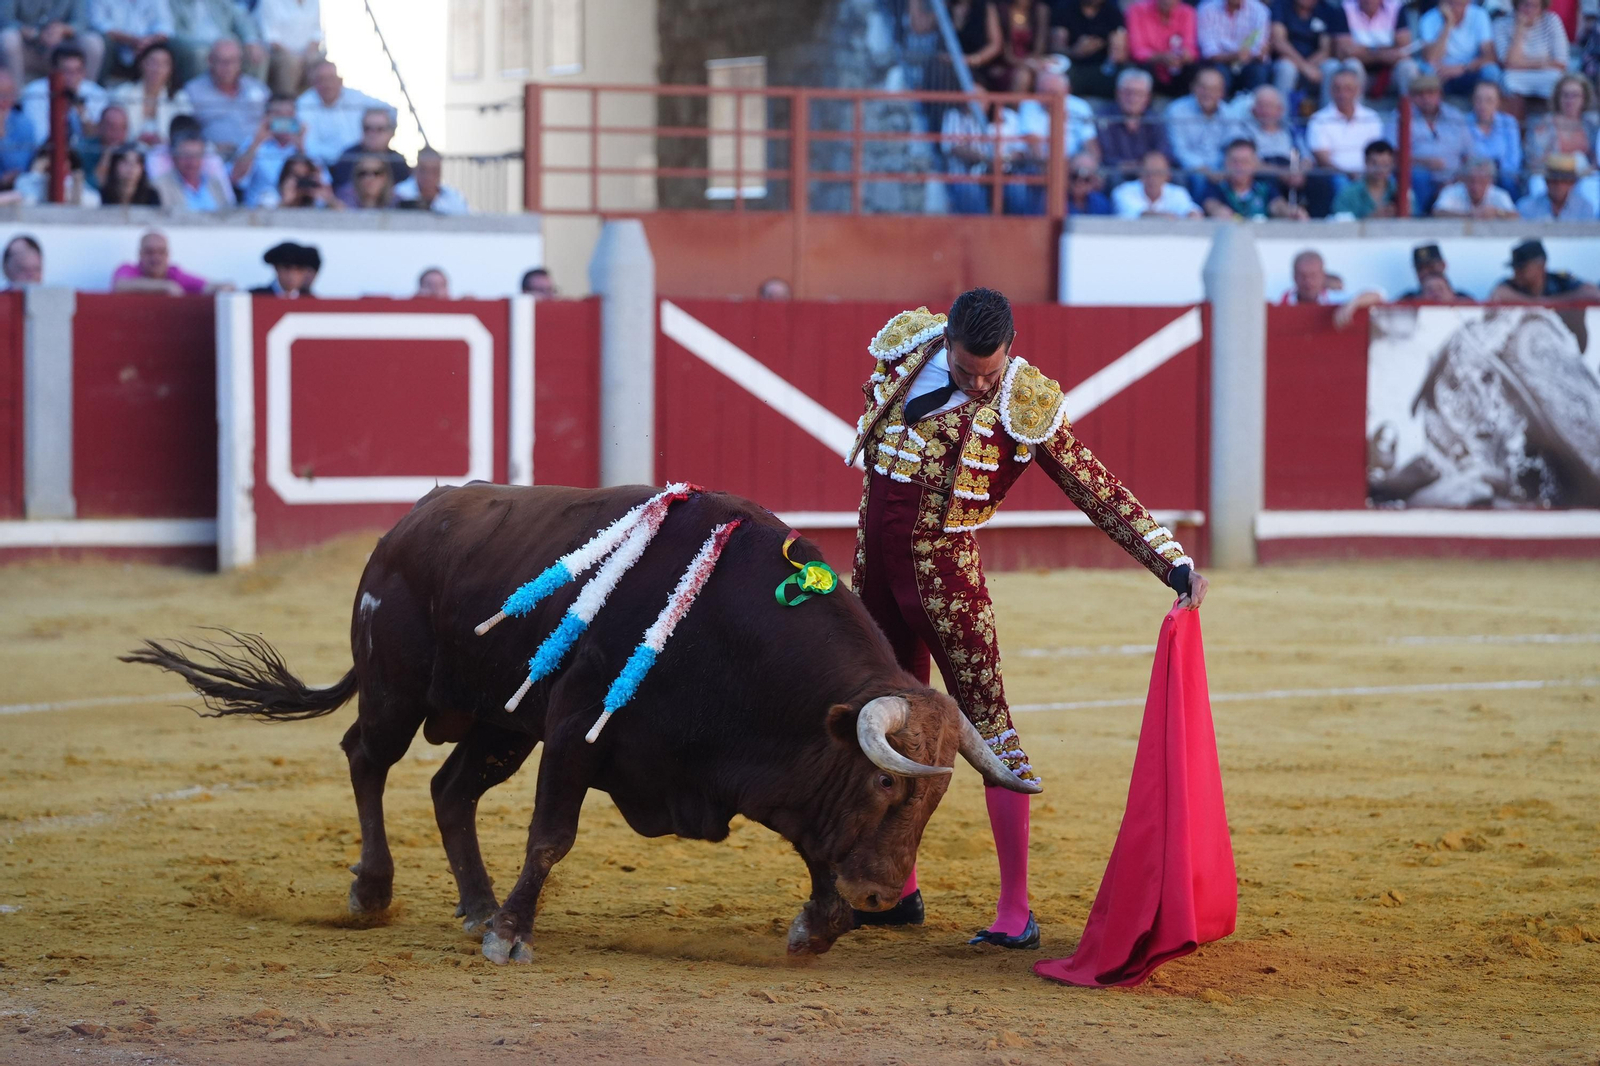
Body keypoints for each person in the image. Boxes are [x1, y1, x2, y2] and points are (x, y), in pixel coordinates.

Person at [846, 289, 1208, 947]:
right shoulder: (905, 350)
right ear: (946, 343)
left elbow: (1095, 487)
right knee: (880, 717)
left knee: (989, 730)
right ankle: (895, 887)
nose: (980, 382)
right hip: (873, 569)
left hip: (946, 582)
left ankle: (1016, 910)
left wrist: (1171, 561)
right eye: (966, 371)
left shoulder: (1023, 401)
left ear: (1009, 349)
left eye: (991, 370)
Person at [1306, 68, 1382, 213]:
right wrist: (1349, 173)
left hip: (1369, 173)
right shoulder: (1319, 119)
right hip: (1337, 175)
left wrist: (1366, 173)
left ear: (1358, 90)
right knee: (1340, 182)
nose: (1342, 94)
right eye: (1338, 89)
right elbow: (1322, 159)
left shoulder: (1372, 117)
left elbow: (1378, 154)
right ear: (1331, 91)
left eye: (1348, 89)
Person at [184, 37, 268, 160]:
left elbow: (274, 121)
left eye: (233, 61)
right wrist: (210, 147)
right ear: (210, 61)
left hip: (259, 158)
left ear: (240, 62)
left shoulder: (258, 88)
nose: (228, 67)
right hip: (215, 160)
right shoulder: (192, 91)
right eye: (222, 61)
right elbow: (185, 136)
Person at [1394, 73, 1469, 210]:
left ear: (1440, 94)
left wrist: (1456, 179)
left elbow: (1468, 154)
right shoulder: (1401, 116)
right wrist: (1425, 162)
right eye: (1420, 94)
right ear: (1412, 97)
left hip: (1453, 179)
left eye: (1431, 93)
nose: (1426, 98)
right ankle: (1418, 219)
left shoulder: (1455, 116)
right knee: (1419, 175)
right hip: (1418, 179)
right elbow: (1393, 155)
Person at [295, 58, 388, 166]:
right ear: (313, 83)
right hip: (322, 164)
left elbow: (389, 110)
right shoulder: (304, 103)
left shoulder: (355, 97)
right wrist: (339, 158)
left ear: (340, 80)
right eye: (321, 79)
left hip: (361, 160)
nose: (327, 84)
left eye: (331, 79)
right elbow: (309, 144)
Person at [1271, 0, 1361, 103]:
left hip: (1315, 62)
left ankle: (1329, 115)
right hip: (1288, 59)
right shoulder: (1281, 5)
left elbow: (1325, 49)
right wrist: (1304, 67)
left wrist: (1310, 66)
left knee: (1331, 66)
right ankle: (1281, 115)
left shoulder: (1325, 9)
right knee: (1286, 68)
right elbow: (1279, 42)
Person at [20, 43, 106, 150]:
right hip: (45, 153)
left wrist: (82, 112)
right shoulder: (34, 93)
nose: (72, 78)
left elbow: (97, 140)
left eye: (77, 71)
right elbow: (38, 137)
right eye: (66, 71)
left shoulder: (96, 93)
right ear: (53, 71)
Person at [0, 0, 103, 84]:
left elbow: (82, 22)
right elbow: (4, 19)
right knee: (8, 38)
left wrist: (64, 29)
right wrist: (30, 32)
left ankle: (84, 96)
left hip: (62, 50)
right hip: (27, 49)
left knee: (92, 42)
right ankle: (13, 99)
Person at [110, 41, 191, 147]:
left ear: (171, 69)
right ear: (142, 64)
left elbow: (187, 136)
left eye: (164, 64)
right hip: (127, 153)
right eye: (153, 62)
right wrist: (134, 141)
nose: (157, 69)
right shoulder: (122, 93)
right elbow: (111, 131)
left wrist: (164, 143)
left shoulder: (180, 98)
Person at [232, 93, 308, 205]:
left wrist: (301, 149)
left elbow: (318, 185)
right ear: (267, 117)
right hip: (258, 215)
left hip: (295, 214)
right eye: (278, 114)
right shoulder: (252, 143)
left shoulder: (306, 144)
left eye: (289, 114)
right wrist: (257, 142)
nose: (284, 119)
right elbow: (236, 179)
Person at [1494, 0, 1568, 114]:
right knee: (1508, 81)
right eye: (1525, 5)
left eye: (1534, 6)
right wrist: (1520, 29)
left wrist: (1521, 62)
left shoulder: (1552, 21)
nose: (1529, 9)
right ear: (1517, 4)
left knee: (1558, 82)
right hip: (1518, 75)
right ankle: (1516, 126)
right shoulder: (1501, 24)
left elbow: (1560, 62)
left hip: (1546, 73)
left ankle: (1552, 123)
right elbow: (1507, 63)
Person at [1097, 68, 1171, 181]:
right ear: (1118, 93)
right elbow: (1104, 154)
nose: (1133, 98)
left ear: (1147, 97)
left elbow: (1163, 150)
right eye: (1128, 92)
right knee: (1114, 177)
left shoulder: (1155, 119)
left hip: (1148, 174)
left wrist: (1144, 165)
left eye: (1139, 94)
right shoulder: (1104, 117)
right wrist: (1125, 166)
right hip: (1115, 172)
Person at [1203, 137, 1306, 216]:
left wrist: (1291, 212)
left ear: (1254, 165)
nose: (1239, 167)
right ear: (1226, 163)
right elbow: (1211, 204)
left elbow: (1277, 205)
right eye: (1234, 161)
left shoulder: (1264, 187)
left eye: (1245, 162)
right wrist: (1218, 211)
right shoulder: (1217, 187)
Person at [1416, 0, 1499, 96]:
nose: (1454, 8)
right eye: (1450, 3)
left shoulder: (1479, 15)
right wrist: (1448, 24)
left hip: (1469, 69)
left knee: (1491, 71)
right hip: (1441, 71)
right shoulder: (1429, 19)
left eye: (1459, 4)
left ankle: (1486, 108)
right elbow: (1430, 58)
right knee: (1427, 71)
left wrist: (1462, 68)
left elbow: (1489, 56)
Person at [168, 0, 262, 83]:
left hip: (225, 43)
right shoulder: (175, 3)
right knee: (201, 53)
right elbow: (173, 33)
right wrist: (213, 46)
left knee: (258, 52)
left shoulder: (222, 1)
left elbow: (241, 19)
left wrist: (251, 40)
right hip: (193, 45)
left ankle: (253, 96)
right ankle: (199, 95)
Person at [1048, 0, 1127, 97]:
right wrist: (1075, 51)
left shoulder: (1112, 9)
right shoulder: (1065, 7)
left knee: (1127, 74)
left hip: (1103, 69)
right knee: (1055, 71)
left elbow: (1121, 51)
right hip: (1074, 68)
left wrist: (1116, 53)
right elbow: (1056, 48)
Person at [1166, 67, 1232, 182]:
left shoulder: (1229, 113)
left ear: (1222, 92)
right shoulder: (1176, 110)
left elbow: (1232, 145)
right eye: (1203, 87)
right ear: (1193, 88)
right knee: (1199, 179)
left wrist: (1225, 169)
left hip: (1221, 169)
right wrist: (1204, 170)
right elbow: (1179, 151)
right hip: (1189, 169)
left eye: (1214, 89)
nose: (1208, 93)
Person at [111, 229, 225, 294]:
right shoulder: (127, 270)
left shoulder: (174, 274)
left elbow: (206, 286)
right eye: (150, 252)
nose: (155, 258)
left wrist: (223, 288)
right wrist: (164, 286)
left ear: (167, 255)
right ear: (140, 254)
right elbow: (120, 285)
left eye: (161, 252)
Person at [1341, 0, 1418, 96]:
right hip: (1361, 74)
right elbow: (1345, 52)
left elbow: (1404, 50)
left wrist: (1366, 52)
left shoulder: (1396, 7)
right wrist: (1384, 53)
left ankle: (1408, 109)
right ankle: (1355, 110)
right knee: (1352, 64)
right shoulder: (1346, 8)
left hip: (1389, 74)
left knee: (1408, 66)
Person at [1489, 238, 1600, 302]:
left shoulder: (1559, 280)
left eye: (1522, 267)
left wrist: (1552, 302)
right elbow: (1498, 294)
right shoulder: (1511, 284)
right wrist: (1537, 304)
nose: (1517, 272)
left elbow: (1594, 293)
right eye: (1515, 268)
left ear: (1541, 266)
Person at [1197, 0, 1273, 92]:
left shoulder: (1260, 10)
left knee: (1258, 71)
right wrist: (1235, 56)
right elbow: (1209, 51)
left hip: (1249, 62)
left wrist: (1245, 55)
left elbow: (1259, 47)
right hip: (1220, 61)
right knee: (1217, 71)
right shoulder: (1206, 9)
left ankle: (1253, 104)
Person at [1125, 0, 1199, 94]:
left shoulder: (1188, 12)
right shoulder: (1137, 10)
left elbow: (1191, 48)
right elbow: (1137, 51)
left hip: (1177, 66)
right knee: (1142, 67)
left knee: (1194, 69)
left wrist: (1185, 55)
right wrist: (1160, 57)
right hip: (1150, 66)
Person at [87, 0, 170, 83]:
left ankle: (170, 92)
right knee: (99, 40)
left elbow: (165, 25)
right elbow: (98, 24)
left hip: (149, 45)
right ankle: (97, 89)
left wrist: (148, 41)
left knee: (175, 45)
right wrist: (132, 40)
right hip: (115, 46)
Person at [330, 105, 408, 189]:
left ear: (391, 133)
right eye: (367, 128)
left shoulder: (398, 162)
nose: (372, 134)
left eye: (379, 129)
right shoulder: (348, 158)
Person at [1329, 137, 1411, 216]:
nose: (1380, 169)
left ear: (1392, 165)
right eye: (1374, 163)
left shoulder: (1403, 192)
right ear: (1365, 162)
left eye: (1385, 164)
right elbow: (1339, 221)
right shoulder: (1348, 193)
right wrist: (1372, 218)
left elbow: (1415, 219)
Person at [1465, 81, 1521, 194]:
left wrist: (1493, 174)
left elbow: (1513, 159)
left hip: (1502, 176)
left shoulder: (1509, 123)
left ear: (1498, 103)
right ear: (1473, 100)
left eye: (1489, 100)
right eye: (1478, 100)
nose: (1483, 105)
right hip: (1473, 177)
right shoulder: (1463, 123)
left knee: (1508, 182)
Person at [257, 0, 321, 97]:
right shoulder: (269, 2)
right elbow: (271, 37)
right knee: (290, 63)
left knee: (319, 63)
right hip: (277, 53)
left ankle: (311, 106)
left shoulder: (314, 2)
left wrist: (308, 53)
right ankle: (287, 104)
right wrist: (294, 56)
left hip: (306, 53)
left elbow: (317, 31)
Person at [153, 131, 232, 210]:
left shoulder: (214, 183)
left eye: (197, 156)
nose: (192, 162)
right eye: (185, 156)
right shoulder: (160, 187)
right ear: (174, 158)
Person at [1113, 148, 1203, 216]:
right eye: (1149, 173)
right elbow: (1140, 214)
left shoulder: (1178, 193)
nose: (1153, 178)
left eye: (1158, 173)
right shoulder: (1123, 191)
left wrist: (1192, 215)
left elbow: (1193, 212)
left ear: (1168, 176)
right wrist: (1166, 218)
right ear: (1140, 174)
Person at [1431, 155, 1519, 217]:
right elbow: (1437, 212)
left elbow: (1515, 215)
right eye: (1472, 181)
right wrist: (1469, 215)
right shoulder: (1451, 191)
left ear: (1490, 181)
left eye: (1481, 181)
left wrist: (1496, 212)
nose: (1476, 186)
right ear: (1464, 180)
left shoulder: (1500, 195)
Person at [1516, 152, 1596, 220]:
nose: (1559, 185)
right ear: (1546, 181)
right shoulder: (1527, 207)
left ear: (1572, 183)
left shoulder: (1585, 208)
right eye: (1554, 181)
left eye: (1564, 181)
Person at [394, 145, 468, 215]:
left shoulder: (454, 198)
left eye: (434, 171)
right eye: (423, 170)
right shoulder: (399, 195)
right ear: (415, 170)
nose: (429, 176)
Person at [1396, 242, 1474, 300]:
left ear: (1443, 265)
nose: (1426, 272)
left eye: (1431, 267)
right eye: (1421, 268)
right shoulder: (1408, 300)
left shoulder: (1464, 300)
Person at [0, 70, 35, 187]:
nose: (2, 100)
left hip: (10, 189)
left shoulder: (23, 124)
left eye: (5, 95)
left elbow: (17, 168)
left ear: (14, 96)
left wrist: (2, 135)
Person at [249, 239, 319, 297]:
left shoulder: (311, 301)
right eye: (287, 268)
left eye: (299, 270)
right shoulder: (256, 296)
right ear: (276, 268)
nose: (292, 275)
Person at [272, 151, 339, 208]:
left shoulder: (318, 200)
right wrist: (286, 201)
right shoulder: (272, 196)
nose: (302, 183)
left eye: (306, 178)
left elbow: (343, 213)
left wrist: (329, 199)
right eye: (297, 177)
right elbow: (266, 217)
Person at [80, 100, 122, 189]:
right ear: (100, 126)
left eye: (122, 128)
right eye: (112, 127)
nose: (117, 133)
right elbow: (89, 187)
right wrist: (106, 158)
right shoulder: (84, 149)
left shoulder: (133, 152)